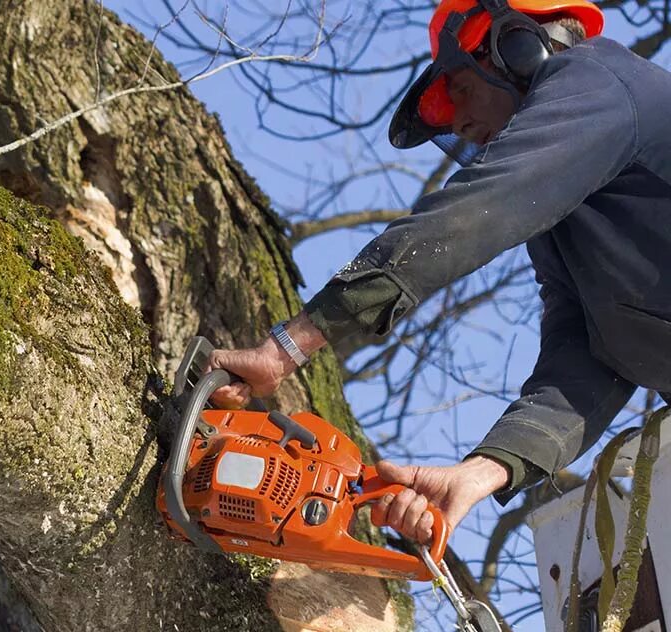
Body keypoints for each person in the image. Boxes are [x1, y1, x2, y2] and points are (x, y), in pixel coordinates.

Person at [209, 0, 671, 545]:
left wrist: (286, 347)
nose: (461, 123)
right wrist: (477, 474)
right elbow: (589, 361)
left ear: (516, 48)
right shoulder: (568, 220)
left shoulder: (600, 81)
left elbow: (475, 212)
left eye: (461, 91)